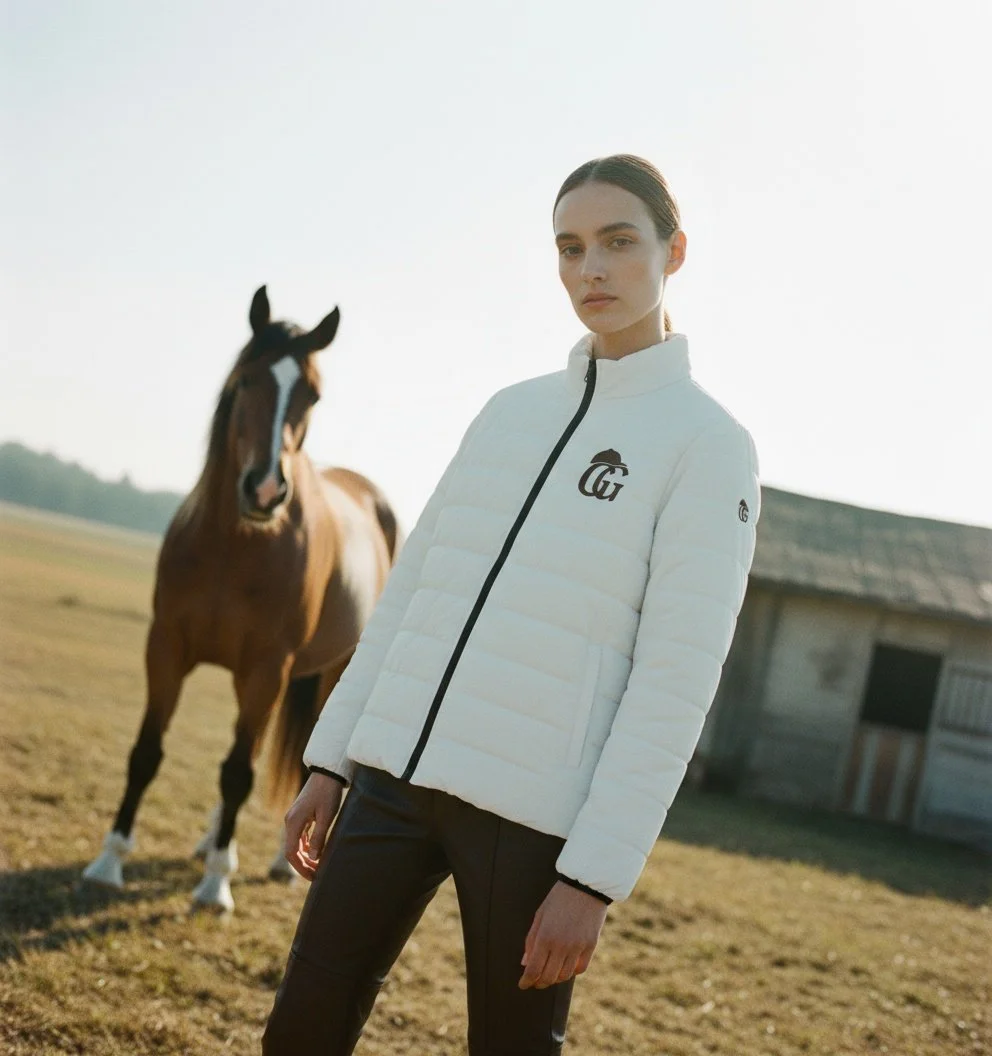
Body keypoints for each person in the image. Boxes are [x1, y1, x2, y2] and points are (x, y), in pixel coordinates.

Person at [262, 154, 760, 1055]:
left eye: (618, 242)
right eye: (570, 248)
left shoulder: (708, 445)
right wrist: (330, 761)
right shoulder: (507, 412)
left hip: (532, 827)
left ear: (675, 252)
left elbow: (676, 681)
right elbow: (410, 598)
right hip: (390, 784)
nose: (591, 269)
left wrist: (593, 878)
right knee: (299, 1032)